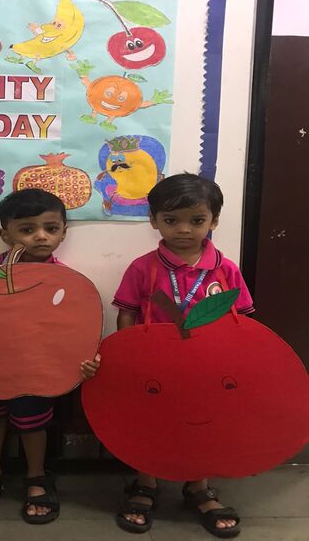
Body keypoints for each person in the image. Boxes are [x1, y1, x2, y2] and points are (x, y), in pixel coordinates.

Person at [112, 173, 253, 538]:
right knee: (151, 424)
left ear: (214, 221)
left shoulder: (226, 269)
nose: (184, 229)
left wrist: (238, 362)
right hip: (155, 367)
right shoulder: (143, 267)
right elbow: (127, 313)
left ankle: (199, 487)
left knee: (204, 423)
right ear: (154, 220)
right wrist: (130, 355)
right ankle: (146, 483)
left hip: (208, 368)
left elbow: (243, 320)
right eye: (171, 220)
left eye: (197, 220)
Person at [0, 188, 100, 525]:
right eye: (27, 229)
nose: (40, 236)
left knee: (33, 421)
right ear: (6, 234)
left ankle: (36, 476)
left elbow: (76, 327)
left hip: (38, 368)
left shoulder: (69, 281)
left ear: (63, 232)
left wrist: (85, 360)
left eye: (51, 228)